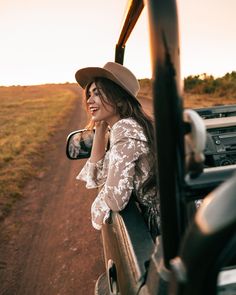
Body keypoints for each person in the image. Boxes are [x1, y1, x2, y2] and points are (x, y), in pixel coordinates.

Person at [75, 62, 160, 240]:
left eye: (97, 93)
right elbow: (96, 176)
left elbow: (116, 199)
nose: (89, 100)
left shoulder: (125, 128)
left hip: (170, 225)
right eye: (89, 94)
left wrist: (97, 206)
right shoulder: (127, 126)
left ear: (119, 99)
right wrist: (99, 127)